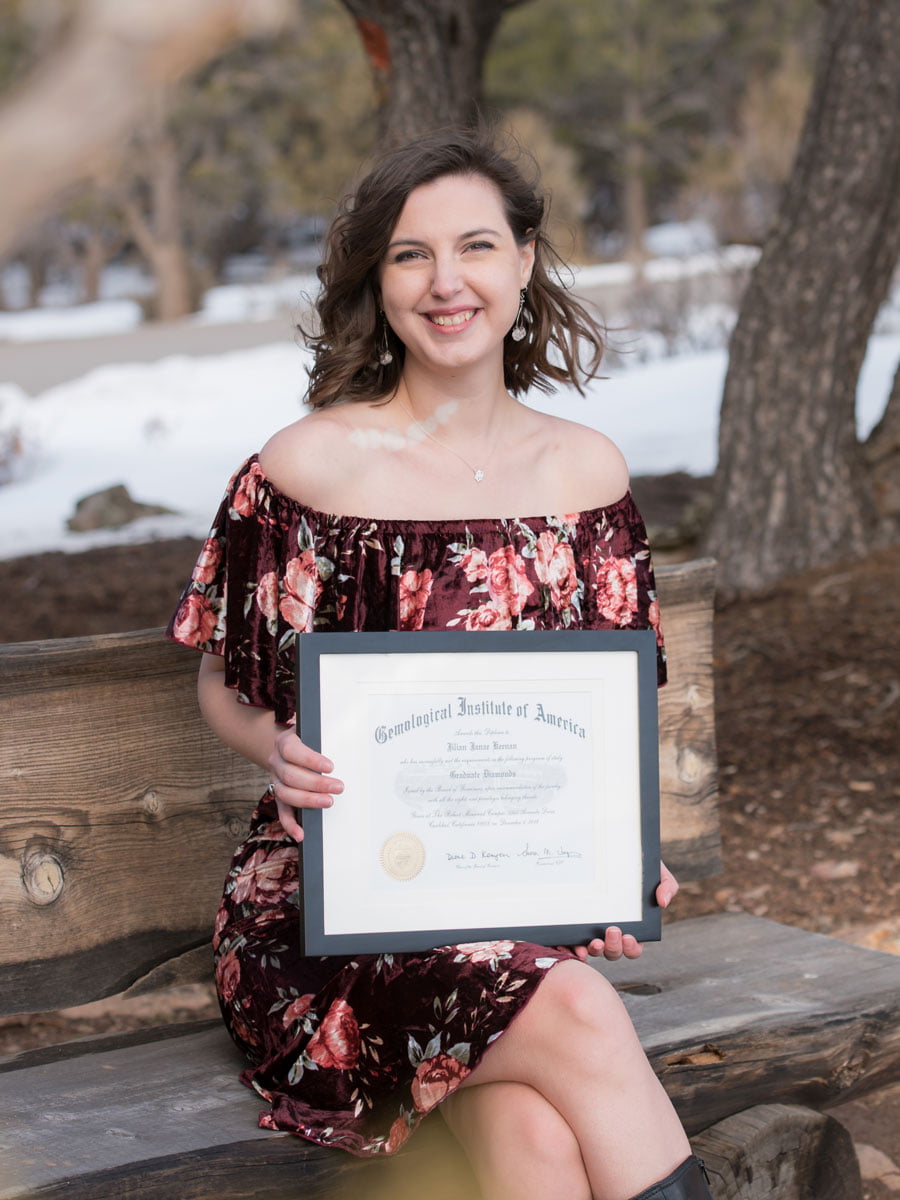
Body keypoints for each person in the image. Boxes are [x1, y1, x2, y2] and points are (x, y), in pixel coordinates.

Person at [167, 128, 714, 1200]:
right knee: (575, 1012)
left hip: (516, 909)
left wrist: (615, 863)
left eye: (475, 246)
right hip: (339, 910)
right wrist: (279, 744)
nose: (446, 280)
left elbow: (603, 720)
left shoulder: (585, 475)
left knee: (536, 1141)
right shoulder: (308, 465)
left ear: (523, 262)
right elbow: (220, 684)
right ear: (379, 279)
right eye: (411, 254)